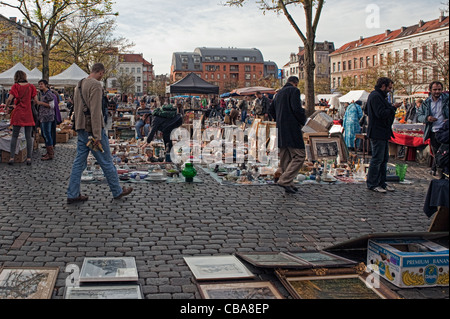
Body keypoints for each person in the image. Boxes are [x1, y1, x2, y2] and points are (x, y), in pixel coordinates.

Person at [67, 63, 133, 204]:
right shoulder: (95, 85)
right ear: (101, 73)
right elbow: (96, 111)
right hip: (92, 130)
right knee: (106, 161)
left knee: (78, 162)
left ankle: (72, 193)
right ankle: (117, 190)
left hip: (81, 128)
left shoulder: (79, 84)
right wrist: (97, 135)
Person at [269, 76, 307, 194]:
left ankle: (289, 183)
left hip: (281, 128)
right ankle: (285, 180)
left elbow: (271, 110)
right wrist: (303, 120)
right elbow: (296, 108)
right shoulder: (294, 91)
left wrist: (279, 119)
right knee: (300, 155)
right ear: (295, 83)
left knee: (285, 157)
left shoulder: (278, 93)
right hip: (291, 127)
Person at [366, 77, 401, 193]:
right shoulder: (375, 96)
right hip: (377, 132)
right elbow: (381, 113)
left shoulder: (380, 96)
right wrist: (393, 108)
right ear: (383, 86)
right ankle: (372, 183)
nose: (390, 90)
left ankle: (382, 182)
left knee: (384, 159)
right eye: (389, 87)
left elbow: (367, 110)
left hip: (383, 132)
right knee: (377, 159)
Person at [4, 70, 37, 166]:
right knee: (28, 137)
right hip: (28, 113)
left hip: (18, 113)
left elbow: (10, 98)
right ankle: (29, 158)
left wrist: (6, 108)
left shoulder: (15, 86)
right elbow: (35, 100)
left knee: (14, 136)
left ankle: (11, 157)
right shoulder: (31, 87)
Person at [417, 81, 449, 176]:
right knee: (436, 152)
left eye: (439, 89)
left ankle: (442, 172)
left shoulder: (447, 100)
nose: (437, 92)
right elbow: (419, 116)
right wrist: (427, 118)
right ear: (430, 90)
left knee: (445, 152)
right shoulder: (426, 102)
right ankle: (438, 170)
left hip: (445, 130)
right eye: (435, 89)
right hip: (433, 130)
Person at [36, 80, 56, 161]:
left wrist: (40, 103)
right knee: (45, 134)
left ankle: (50, 153)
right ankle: (48, 152)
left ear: (46, 85)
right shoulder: (42, 94)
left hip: (48, 117)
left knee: (47, 134)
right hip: (43, 117)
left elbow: (52, 105)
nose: (40, 86)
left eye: (41, 84)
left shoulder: (49, 93)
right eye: (39, 84)